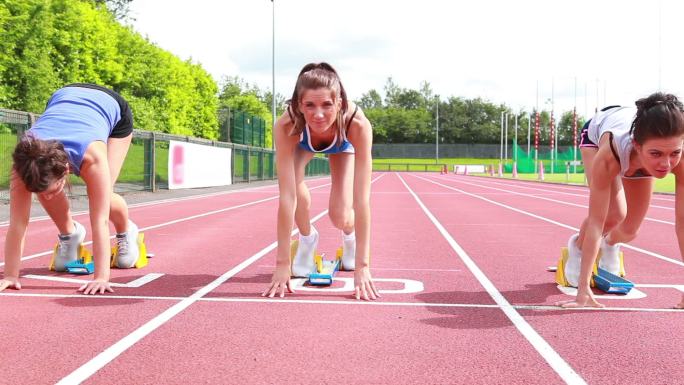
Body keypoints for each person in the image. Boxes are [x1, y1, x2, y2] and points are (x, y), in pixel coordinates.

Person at [0, 83, 141, 295]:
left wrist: (101, 277)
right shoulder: (24, 163)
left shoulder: (93, 157)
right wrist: (11, 274)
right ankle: (70, 235)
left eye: (53, 188)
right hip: (63, 97)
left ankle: (126, 232)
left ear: (66, 170)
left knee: (105, 196)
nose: (45, 197)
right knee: (44, 186)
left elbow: (99, 220)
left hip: (112, 109)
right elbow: (18, 224)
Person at [261, 62, 380, 300]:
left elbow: (362, 199)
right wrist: (282, 263)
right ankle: (307, 237)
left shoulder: (357, 124)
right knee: (292, 185)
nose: (318, 114)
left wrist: (362, 266)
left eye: (327, 105)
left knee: (339, 215)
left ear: (339, 103)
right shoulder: (286, 125)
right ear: (298, 106)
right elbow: (286, 197)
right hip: (304, 143)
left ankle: (349, 237)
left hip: (341, 142)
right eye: (309, 106)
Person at [556, 92, 684, 309]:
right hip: (597, 138)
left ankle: (608, 245)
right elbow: (597, 220)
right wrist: (583, 288)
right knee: (613, 215)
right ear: (637, 144)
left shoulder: (675, 159)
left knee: (630, 230)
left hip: (635, 150)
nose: (666, 163)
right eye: (656, 154)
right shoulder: (610, 155)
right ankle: (577, 248)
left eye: (675, 153)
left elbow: (682, 222)